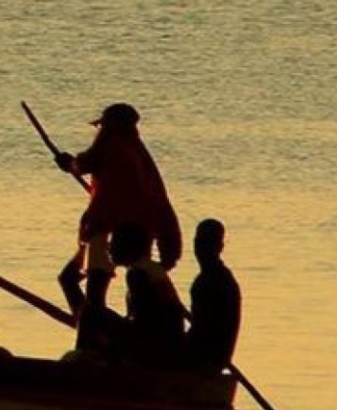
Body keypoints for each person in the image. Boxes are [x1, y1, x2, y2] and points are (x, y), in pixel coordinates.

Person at [54, 102, 181, 324]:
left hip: (108, 230)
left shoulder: (110, 144)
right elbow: (162, 208)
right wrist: (169, 255)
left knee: (94, 295)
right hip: (136, 238)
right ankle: (108, 329)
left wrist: (70, 163)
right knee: (133, 285)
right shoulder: (141, 157)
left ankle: (96, 335)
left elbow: (84, 163)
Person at [115, 223, 188, 365]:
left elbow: (144, 317)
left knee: (92, 314)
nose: (109, 248)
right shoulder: (149, 268)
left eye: (114, 243)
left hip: (157, 342)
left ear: (127, 247)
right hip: (165, 338)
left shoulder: (137, 273)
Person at [184, 216, 243, 372]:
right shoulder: (211, 278)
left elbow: (204, 332)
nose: (200, 248)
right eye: (198, 242)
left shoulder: (213, 281)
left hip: (209, 357)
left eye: (206, 243)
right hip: (213, 355)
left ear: (219, 247)